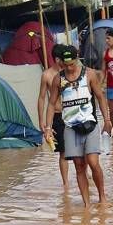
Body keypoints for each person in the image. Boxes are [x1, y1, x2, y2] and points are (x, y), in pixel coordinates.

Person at [46, 46, 110, 207]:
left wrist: (107, 121)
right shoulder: (57, 79)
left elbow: (101, 97)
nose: (69, 68)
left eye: (72, 64)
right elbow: (51, 103)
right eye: (65, 65)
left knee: (93, 161)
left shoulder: (89, 75)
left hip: (91, 125)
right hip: (70, 128)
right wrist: (48, 127)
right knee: (79, 166)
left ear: (77, 59)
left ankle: (102, 197)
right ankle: (87, 204)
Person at [39, 43, 71, 188]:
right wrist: (43, 123)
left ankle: (85, 174)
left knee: (80, 148)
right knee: (63, 152)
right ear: (58, 59)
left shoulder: (71, 72)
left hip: (72, 113)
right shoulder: (47, 75)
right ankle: (66, 184)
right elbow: (41, 98)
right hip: (58, 115)